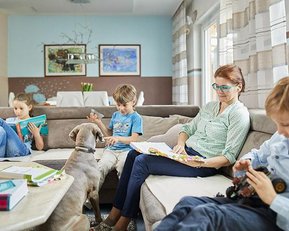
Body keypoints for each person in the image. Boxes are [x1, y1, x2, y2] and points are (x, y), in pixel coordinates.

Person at [95, 64, 251, 231]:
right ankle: (113, 215)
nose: (219, 91)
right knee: (133, 154)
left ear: (238, 87)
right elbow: (187, 129)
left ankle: (122, 223)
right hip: (185, 154)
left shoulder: (239, 115)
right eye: (216, 86)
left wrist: (199, 163)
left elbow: (229, 156)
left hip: (204, 163)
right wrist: (180, 144)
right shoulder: (210, 106)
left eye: (224, 87)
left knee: (142, 162)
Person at [155, 76, 289, 231]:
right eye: (277, 123)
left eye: (285, 124)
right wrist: (245, 162)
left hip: (276, 217)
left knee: (208, 214)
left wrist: (273, 199)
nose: (279, 131)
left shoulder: (238, 113)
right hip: (251, 200)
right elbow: (258, 155)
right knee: (187, 203)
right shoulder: (281, 137)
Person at [87, 84, 143, 188]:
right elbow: (109, 134)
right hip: (111, 150)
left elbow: (134, 139)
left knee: (123, 167)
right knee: (101, 167)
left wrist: (117, 138)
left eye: (124, 105)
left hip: (127, 151)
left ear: (133, 102)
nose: (121, 108)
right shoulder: (115, 115)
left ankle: (123, 199)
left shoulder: (136, 118)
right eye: (118, 105)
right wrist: (99, 123)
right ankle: (90, 199)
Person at [0, 93, 44, 158]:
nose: (18, 111)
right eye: (15, 108)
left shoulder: (34, 122)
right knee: (1, 130)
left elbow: (40, 147)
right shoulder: (10, 120)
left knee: (2, 122)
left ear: (29, 107)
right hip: (6, 151)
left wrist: (36, 134)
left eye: (21, 108)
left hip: (23, 150)